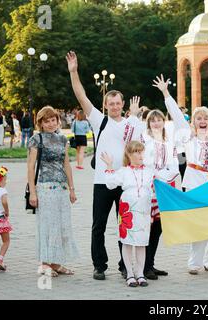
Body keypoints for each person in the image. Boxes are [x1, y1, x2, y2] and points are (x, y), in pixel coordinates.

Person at [67, 51, 143, 281]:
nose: (114, 106)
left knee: (125, 223)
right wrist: (73, 72)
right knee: (98, 225)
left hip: (125, 181)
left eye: (118, 103)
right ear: (105, 105)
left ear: (123, 104)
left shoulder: (132, 123)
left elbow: (140, 150)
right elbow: (81, 96)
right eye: (110, 103)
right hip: (102, 181)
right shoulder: (99, 120)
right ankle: (99, 265)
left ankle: (124, 265)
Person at [154, 74, 208, 275]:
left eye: (205, 117)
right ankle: (194, 262)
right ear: (194, 121)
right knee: (198, 222)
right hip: (195, 182)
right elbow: (177, 114)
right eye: (199, 118)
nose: (202, 120)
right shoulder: (188, 136)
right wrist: (166, 93)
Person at [27, 106, 79, 277]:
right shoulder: (36, 139)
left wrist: (72, 189)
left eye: (53, 120)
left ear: (58, 121)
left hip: (62, 189)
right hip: (45, 188)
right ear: (41, 123)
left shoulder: (62, 139)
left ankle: (56, 263)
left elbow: (66, 164)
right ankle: (44, 263)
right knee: (48, 226)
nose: (50, 124)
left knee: (62, 225)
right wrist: (33, 193)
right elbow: (30, 167)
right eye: (46, 121)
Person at [101, 141, 155, 287]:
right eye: (136, 152)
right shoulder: (124, 171)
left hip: (143, 210)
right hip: (127, 210)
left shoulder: (150, 171)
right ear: (129, 155)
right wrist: (109, 166)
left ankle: (140, 273)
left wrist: (152, 212)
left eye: (141, 151)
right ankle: (130, 273)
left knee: (142, 242)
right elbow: (110, 184)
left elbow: (153, 191)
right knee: (128, 241)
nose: (140, 155)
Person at [140, 108, 179, 280]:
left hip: (164, 187)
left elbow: (175, 166)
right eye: (152, 120)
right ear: (148, 123)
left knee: (159, 227)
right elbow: (145, 164)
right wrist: (156, 176)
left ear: (164, 122)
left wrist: (162, 176)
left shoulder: (169, 142)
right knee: (147, 227)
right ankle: (144, 266)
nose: (156, 123)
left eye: (159, 120)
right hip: (148, 188)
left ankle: (151, 264)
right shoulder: (144, 140)